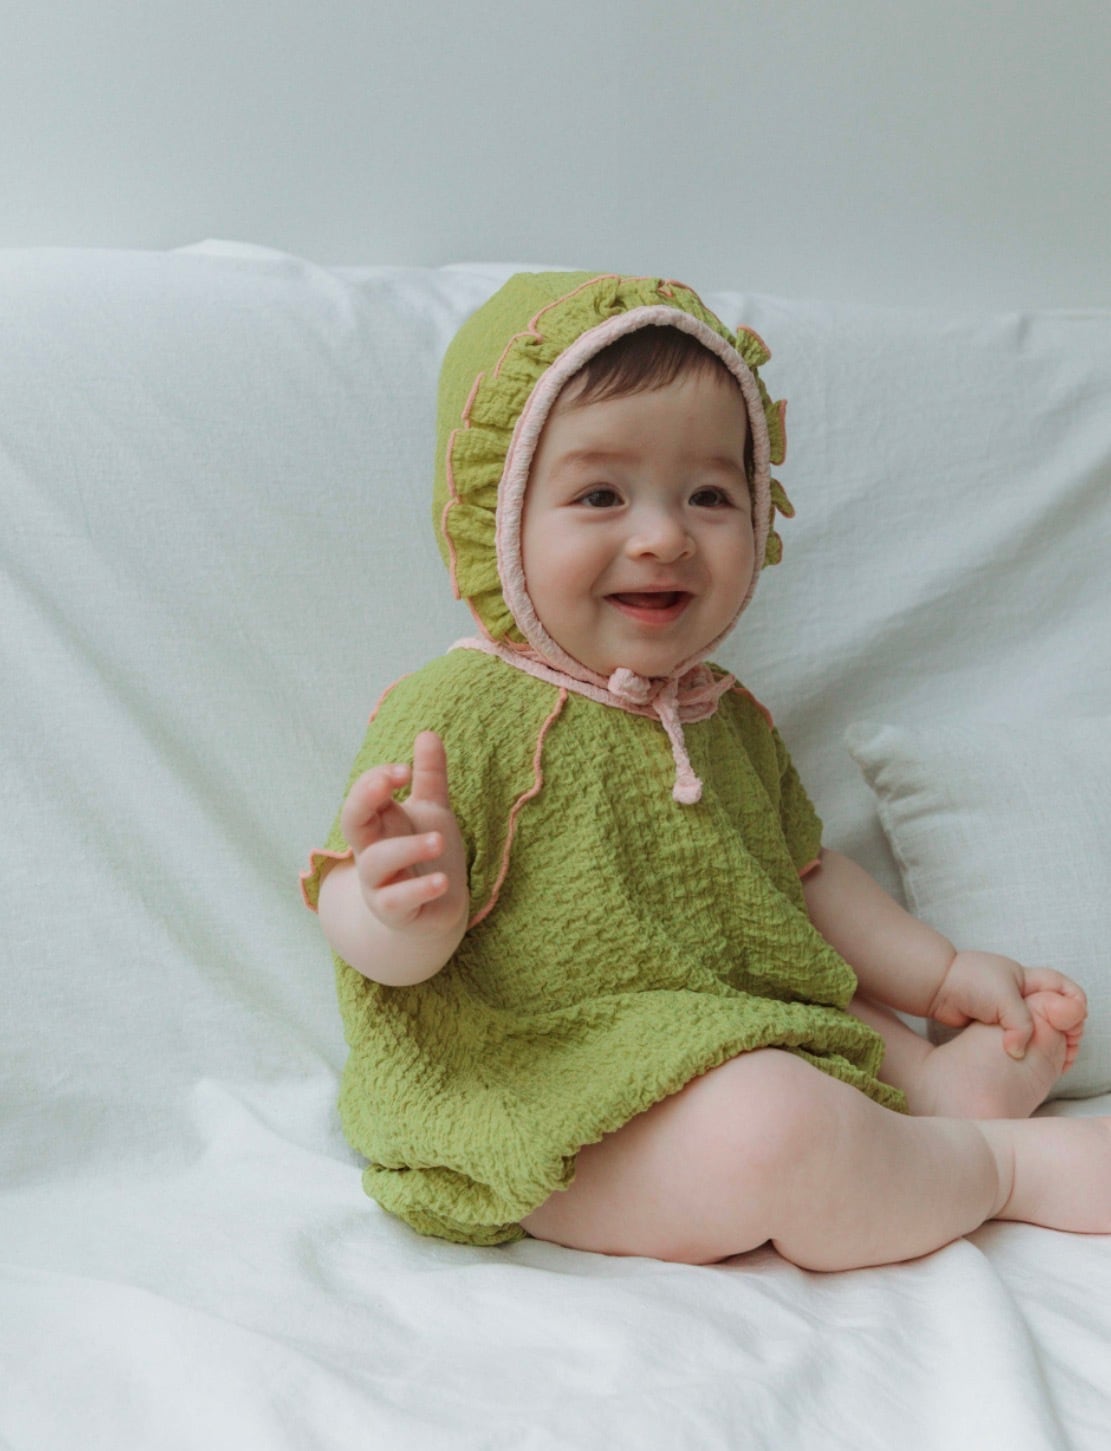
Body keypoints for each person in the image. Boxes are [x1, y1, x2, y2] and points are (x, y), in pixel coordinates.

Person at [302, 271, 1106, 1268]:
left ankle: (939, 1092)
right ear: (496, 516)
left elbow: (804, 877)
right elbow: (354, 912)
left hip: (724, 1037)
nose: (663, 535)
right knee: (774, 1123)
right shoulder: (460, 709)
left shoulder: (721, 714)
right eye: (600, 494)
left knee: (824, 1038)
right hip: (548, 1094)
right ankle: (999, 1168)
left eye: (710, 495)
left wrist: (939, 975)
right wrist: (399, 916)